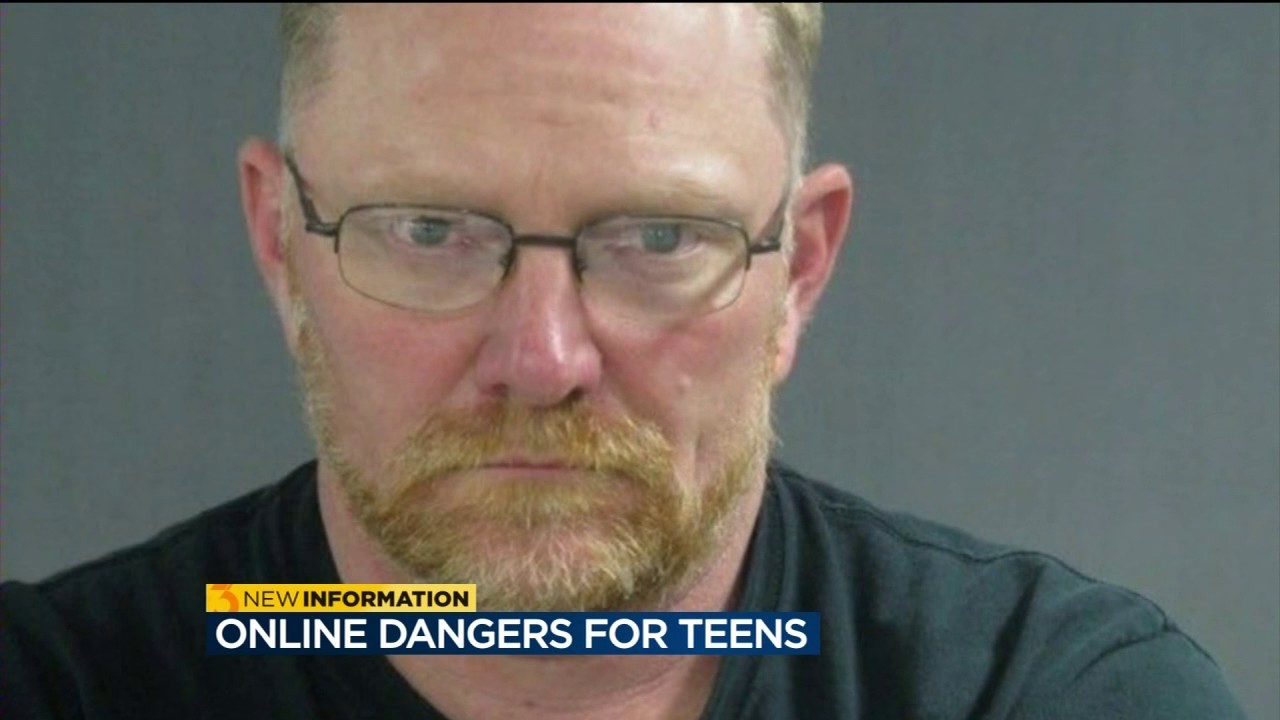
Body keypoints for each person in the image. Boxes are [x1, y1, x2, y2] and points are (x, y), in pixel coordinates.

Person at [0, 4, 1247, 719]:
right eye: (428, 231)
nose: (541, 359)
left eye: (657, 238)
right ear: (280, 244)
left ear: (799, 271)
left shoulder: (1050, 699)